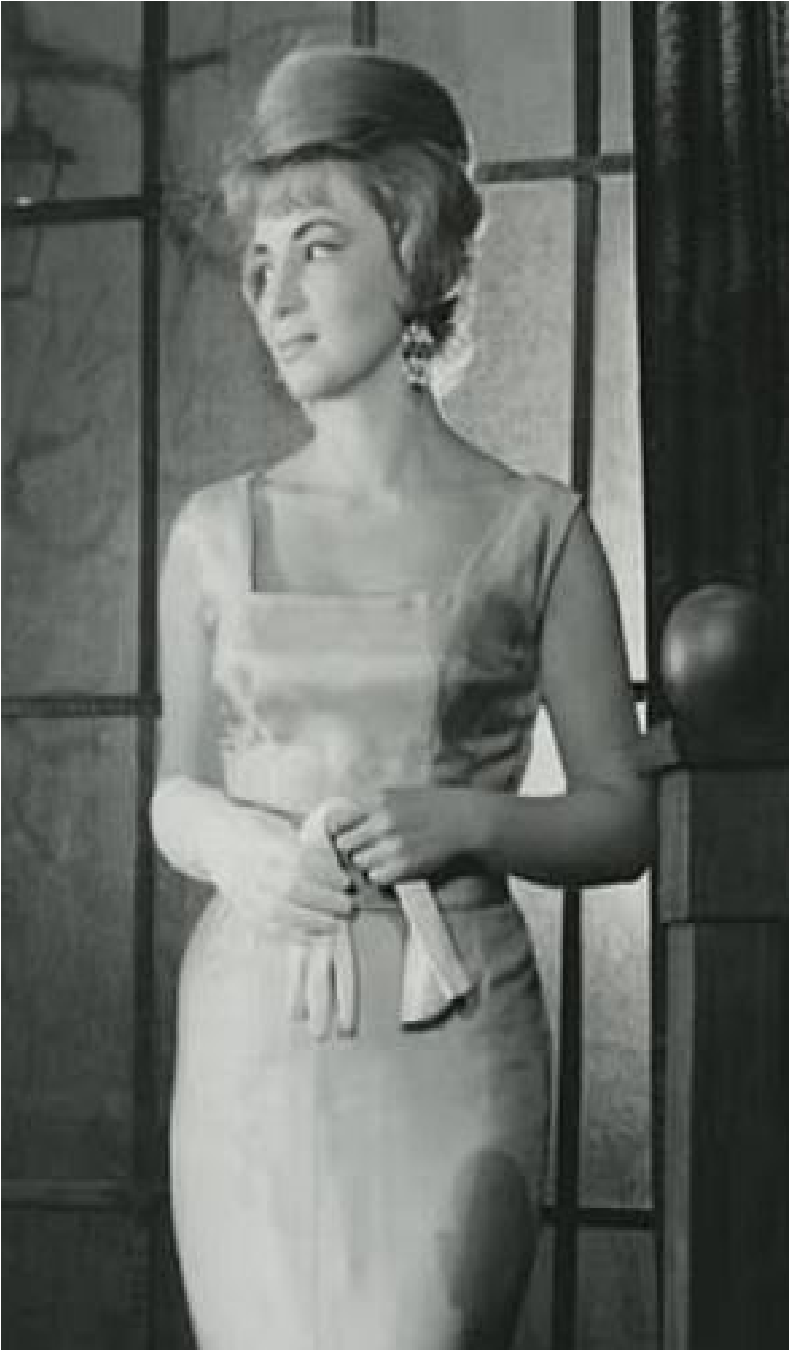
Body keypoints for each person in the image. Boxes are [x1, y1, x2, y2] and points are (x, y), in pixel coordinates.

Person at [150, 45, 654, 1350]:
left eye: (316, 246)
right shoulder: (210, 532)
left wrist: (462, 819)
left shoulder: (540, 529)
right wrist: (239, 846)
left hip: (453, 1029)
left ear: (415, 247)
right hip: (252, 1032)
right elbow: (171, 792)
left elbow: (621, 819)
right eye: (259, 264)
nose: (276, 295)